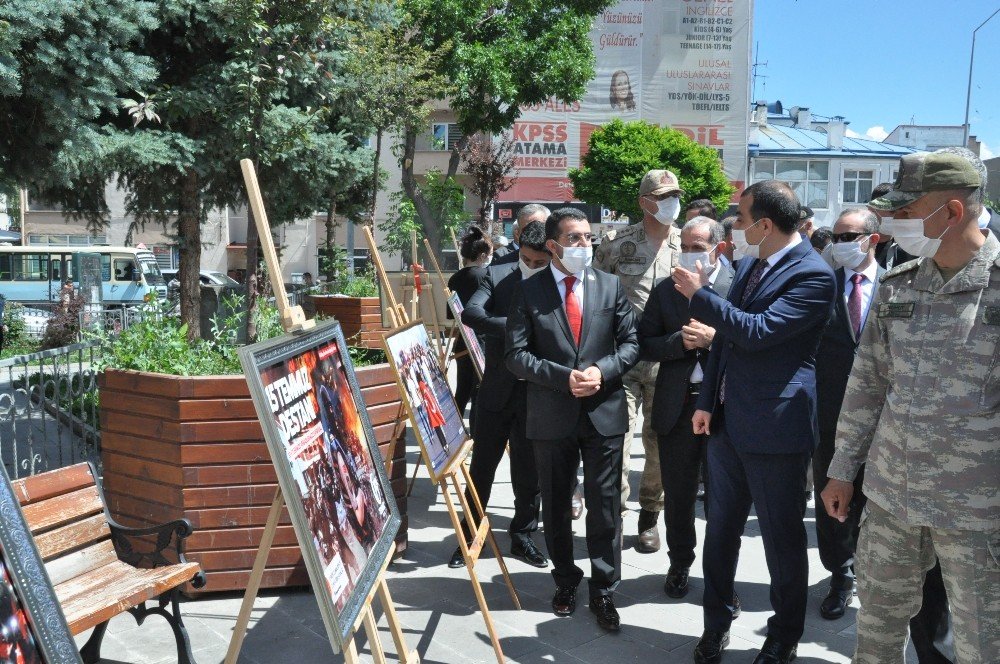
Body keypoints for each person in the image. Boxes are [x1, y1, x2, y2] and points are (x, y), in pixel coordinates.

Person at [822, 150, 999, 664]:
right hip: (890, 498)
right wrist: (841, 470)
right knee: (875, 635)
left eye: (906, 209)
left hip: (975, 511)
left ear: (951, 212)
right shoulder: (900, 286)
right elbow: (868, 385)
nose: (893, 221)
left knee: (980, 646)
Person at [672, 180, 836, 664]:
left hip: (776, 428)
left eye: (741, 220)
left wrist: (700, 295)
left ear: (765, 225)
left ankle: (784, 635)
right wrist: (706, 400)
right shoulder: (751, 265)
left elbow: (757, 332)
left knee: (782, 541)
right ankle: (715, 625)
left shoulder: (814, 274)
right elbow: (724, 340)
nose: (735, 230)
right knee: (719, 532)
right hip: (726, 423)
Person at [505, 207, 639, 631]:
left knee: (604, 506)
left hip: (604, 411)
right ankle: (565, 579)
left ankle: (604, 589)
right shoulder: (528, 292)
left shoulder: (610, 286)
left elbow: (631, 343)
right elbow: (515, 355)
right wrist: (564, 379)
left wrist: (603, 371)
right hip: (551, 413)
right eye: (575, 238)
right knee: (558, 504)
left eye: (588, 236)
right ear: (553, 245)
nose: (585, 244)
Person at [637, 217, 734, 600]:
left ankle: (722, 577)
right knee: (677, 493)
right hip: (678, 405)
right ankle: (680, 563)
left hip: (725, 408)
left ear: (718, 248)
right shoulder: (666, 289)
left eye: (698, 246)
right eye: (686, 246)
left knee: (723, 499)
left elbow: (754, 338)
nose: (690, 253)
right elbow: (645, 342)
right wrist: (681, 342)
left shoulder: (739, 284)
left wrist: (714, 341)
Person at [447, 221, 552, 569]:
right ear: (520, 250)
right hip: (496, 391)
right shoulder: (497, 273)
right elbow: (472, 313)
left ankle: (523, 534)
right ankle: (469, 531)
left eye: (541, 262)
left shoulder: (559, 277)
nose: (534, 267)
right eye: (528, 260)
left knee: (529, 470)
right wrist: (515, 327)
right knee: (482, 468)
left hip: (537, 394)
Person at [593, 169, 682, 553]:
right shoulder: (616, 244)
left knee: (659, 443)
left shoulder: (689, 243)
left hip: (668, 360)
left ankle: (650, 515)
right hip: (622, 358)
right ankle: (616, 517)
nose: (670, 204)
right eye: (663, 197)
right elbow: (595, 296)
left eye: (675, 196)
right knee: (617, 440)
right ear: (644, 201)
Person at [811, 208, 884, 621]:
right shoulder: (822, 285)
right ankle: (840, 574)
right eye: (836, 236)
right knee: (833, 497)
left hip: (887, 415)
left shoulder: (898, 285)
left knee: (878, 499)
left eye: (849, 236)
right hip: (829, 412)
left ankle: (874, 570)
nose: (839, 244)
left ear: (872, 239)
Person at [447, 226, 492, 421]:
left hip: (461, 340)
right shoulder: (486, 276)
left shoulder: (454, 278)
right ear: (483, 255)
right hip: (481, 340)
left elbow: (450, 314)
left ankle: (454, 432)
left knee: (462, 388)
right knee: (479, 390)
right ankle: (477, 433)